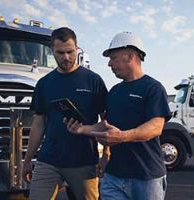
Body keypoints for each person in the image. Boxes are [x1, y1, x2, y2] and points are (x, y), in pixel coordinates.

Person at [66, 32, 171, 200]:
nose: (109, 63)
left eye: (113, 57)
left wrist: (122, 137)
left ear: (130, 56)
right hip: (114, 176)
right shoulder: (114, 92)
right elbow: (107, 125)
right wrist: (83, 129)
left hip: (147, 177)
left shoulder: (153, 88)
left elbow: (156, 127)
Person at [22, 27, 108, 200]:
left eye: (70, 51)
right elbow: (38, 124)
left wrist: (106, 153)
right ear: (52, 50)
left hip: (84, 162)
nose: (66, 57)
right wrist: (27, 160)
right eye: (60, 52)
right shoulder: (44, 84)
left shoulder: (93, 81)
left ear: (77, 48)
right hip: (48, 160)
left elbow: (106, 120)